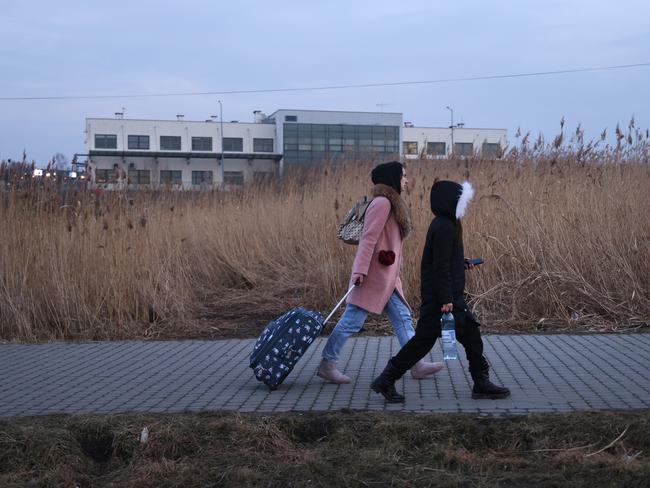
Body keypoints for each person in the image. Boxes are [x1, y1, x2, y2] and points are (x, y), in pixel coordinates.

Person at [370, 180, 511, 402]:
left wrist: (460, 262)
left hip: (444, 298)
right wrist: (446, 299)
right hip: (443, 300)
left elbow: (444, 261)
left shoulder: (445, 224)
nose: (463, 207)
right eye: (461, 201)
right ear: (450, 202)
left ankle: (480, 382)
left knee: (465, 335)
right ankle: (386, 379)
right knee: (424, 343)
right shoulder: (444, 227)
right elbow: (439, 267)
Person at [317, 161, 444, 384]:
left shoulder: (392, 204)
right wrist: (359, 271)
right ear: (393, 178)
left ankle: (416, 364)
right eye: (403, 176)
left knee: (403, 318)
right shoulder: (382, 203)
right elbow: (368, 239)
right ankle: (327, 364)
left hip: (388, 278)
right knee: (351, 321)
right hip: (372, 277)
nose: (407, 180)